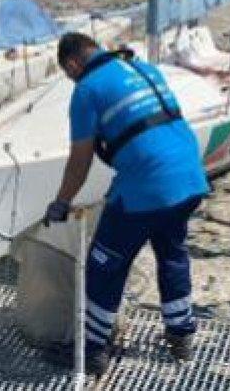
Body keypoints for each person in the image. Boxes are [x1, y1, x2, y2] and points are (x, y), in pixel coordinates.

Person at [42, 33, 209, 376]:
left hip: (147, 186)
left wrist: (61, 202)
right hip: (189, 176)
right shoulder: (144, 68)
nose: (72, 79)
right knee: (172, 253)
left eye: (68, 73)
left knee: (105, 264)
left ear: (73, 64)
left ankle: (90, 350)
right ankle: (181, 336)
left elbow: (80, 161)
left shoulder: (86, 89)